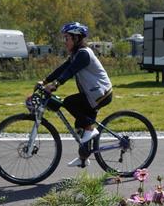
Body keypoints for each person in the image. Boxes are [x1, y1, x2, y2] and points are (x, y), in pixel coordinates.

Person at [40, 22, 113, 168]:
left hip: (101, 93)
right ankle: (83, 157)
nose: (64, 41)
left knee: (69, 102)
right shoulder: (76, 54)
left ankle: (90, 129)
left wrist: (55, 85)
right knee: (80, 125)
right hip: (93, 93)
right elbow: (63, 68)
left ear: (76, 38)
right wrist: (45, 81)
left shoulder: (84, 54)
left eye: (67, 38)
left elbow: (70, 72)